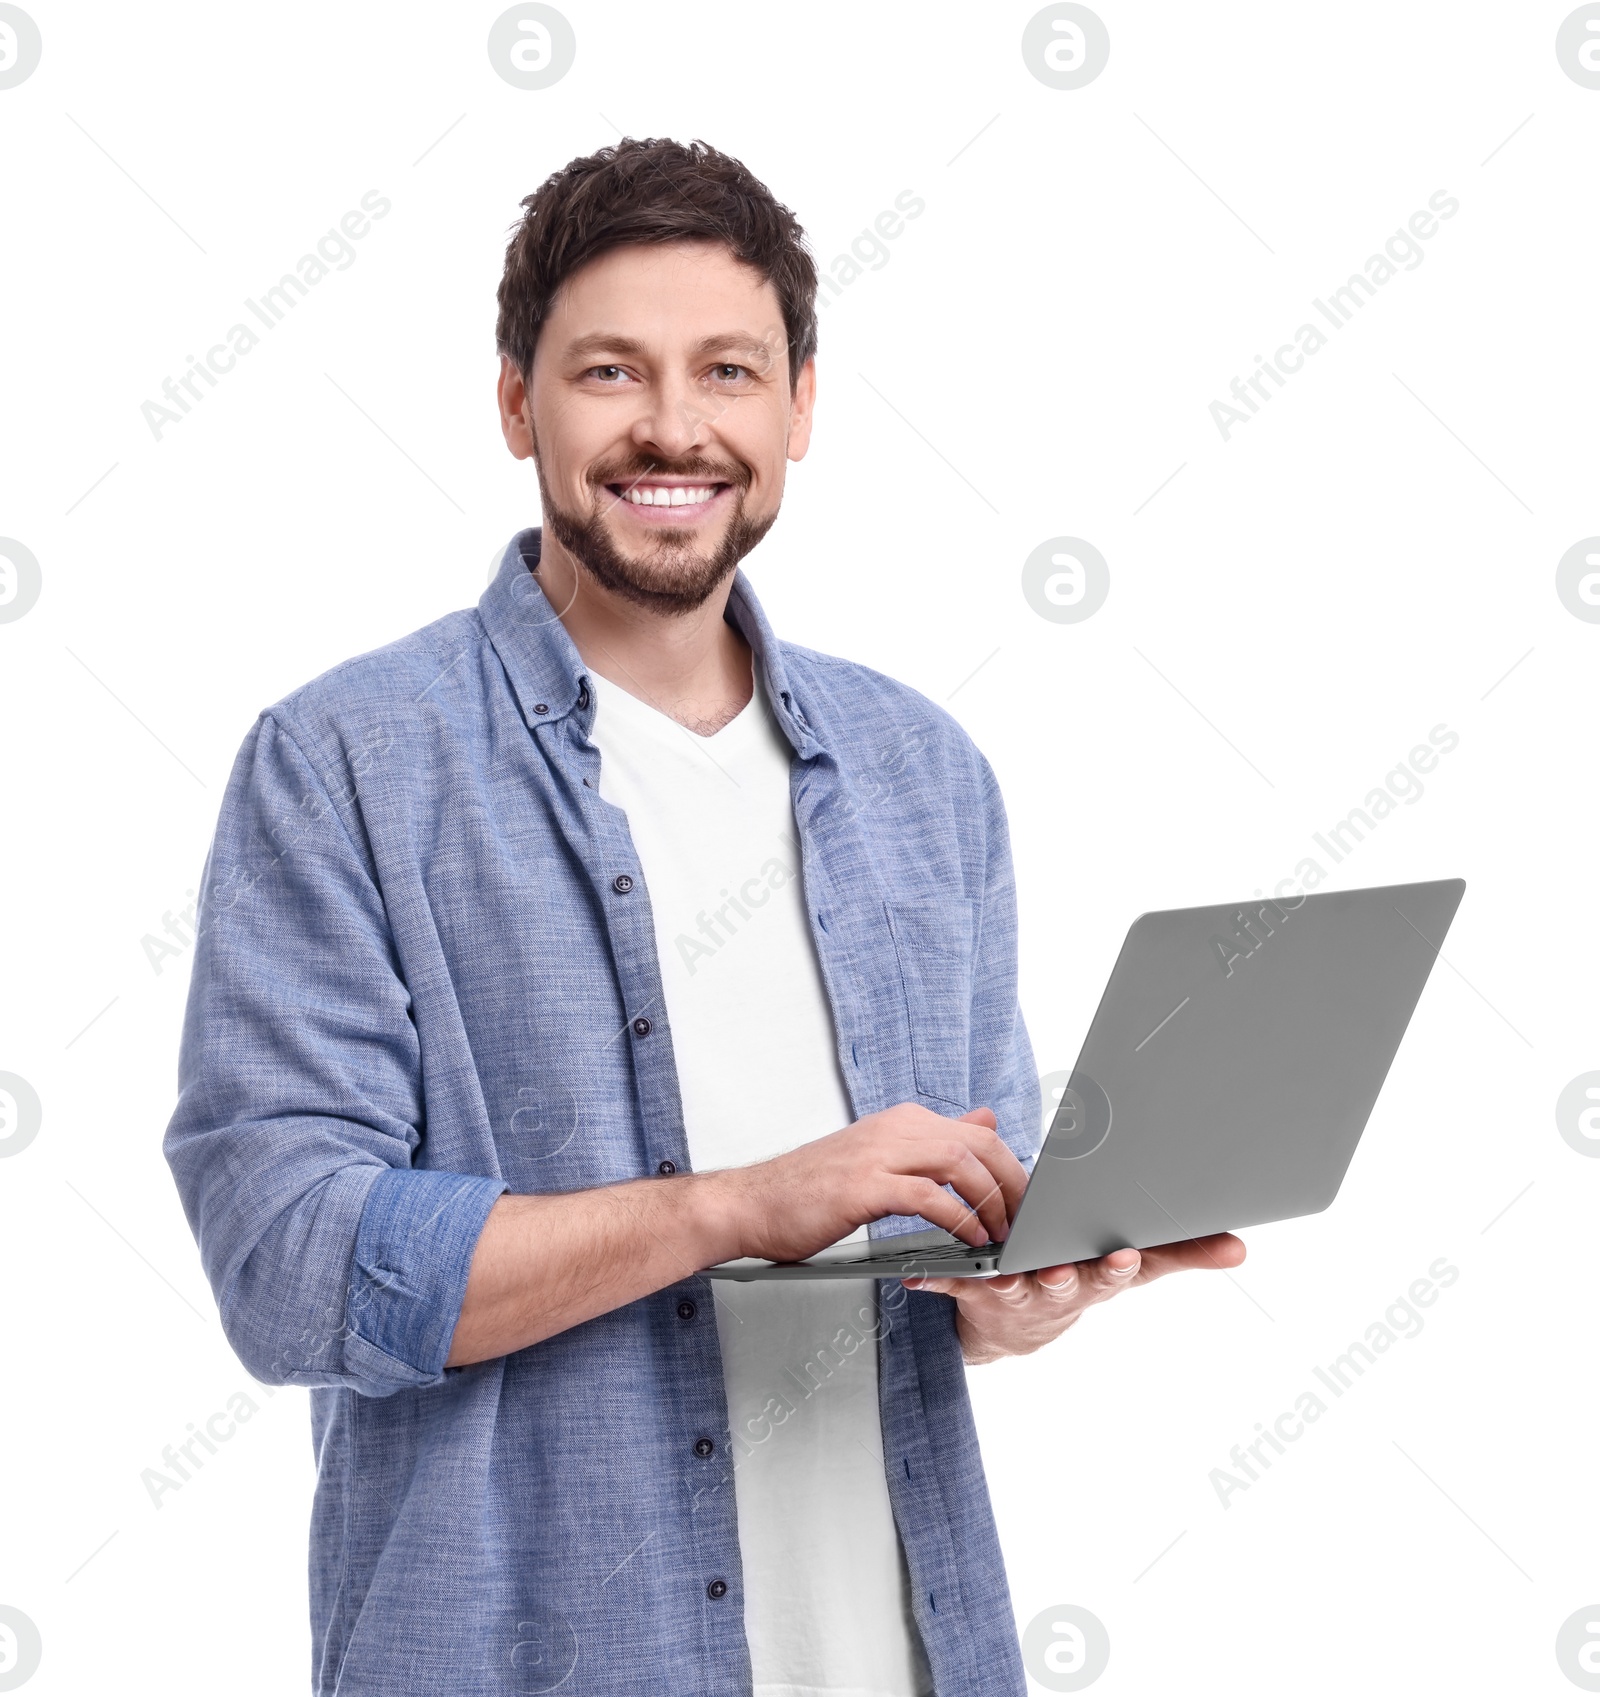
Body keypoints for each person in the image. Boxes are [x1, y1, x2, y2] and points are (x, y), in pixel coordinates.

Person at [165, 136, 1242, 1697]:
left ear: (800, 407)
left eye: (728, 370)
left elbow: (938, 1270)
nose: (675, 426)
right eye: (610, 371)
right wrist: (735, 1206)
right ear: (516, 404)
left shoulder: (924, 774)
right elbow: (287, 1265)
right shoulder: (346, 766)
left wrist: (1019, 1295)